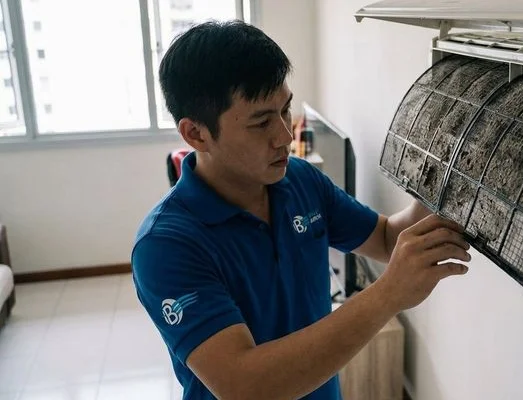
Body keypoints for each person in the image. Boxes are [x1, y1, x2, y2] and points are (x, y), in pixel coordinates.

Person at [131, 20, 471, 400]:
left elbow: (388, 239)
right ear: (196, 134)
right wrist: (387, 294)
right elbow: (245, 386)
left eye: (285, 110)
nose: (284, 135)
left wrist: (446, 173)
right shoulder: (165, 245)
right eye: (261, 122)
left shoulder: (300, 181)